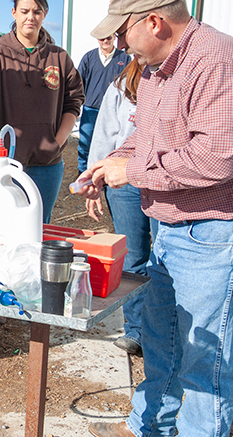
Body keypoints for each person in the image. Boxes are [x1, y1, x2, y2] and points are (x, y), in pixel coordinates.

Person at [75, 0, 233, 437]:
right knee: (163, 341)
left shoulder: (217, 61)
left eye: (121, 27)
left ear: (153, 23)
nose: (117, 40)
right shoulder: (155, 73)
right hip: (176, 227)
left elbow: (216, 158)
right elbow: (145, 141)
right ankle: (148, 425)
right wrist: (109, 162)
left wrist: (131, 172)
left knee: (206, 363)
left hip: (222, 230)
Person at [0, 0, 85, 225]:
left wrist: (58, 141)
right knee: (1, 227)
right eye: (24, 11)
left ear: (45, 14)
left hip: (46, 164)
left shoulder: (59, 58)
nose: (30, 17)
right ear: (14, 13)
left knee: (38, 228)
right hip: (4, 165)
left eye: (37, 11)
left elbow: (73, 101)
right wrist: (2, 147)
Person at [84, 59, 151, 356]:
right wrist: (94, 181)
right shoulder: (121, 87)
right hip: (124, 184)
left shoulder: (174, 81)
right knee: (134, 256)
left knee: (165, 256)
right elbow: (105, 135)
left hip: (162, 180)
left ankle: (163, 328)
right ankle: (136, 329)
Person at [76, 34, 130, 174]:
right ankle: (83, 173)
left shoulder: (124, 58)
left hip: (113, 111)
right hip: (91, 109)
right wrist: (76, 106)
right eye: (102, 38)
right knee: (85, 143)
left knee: (111, 144)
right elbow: (78, 82)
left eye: (108, 38)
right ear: (97, 39)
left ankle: (104, 173)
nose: (105, 41)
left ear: (114, 37)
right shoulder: (89, 57)